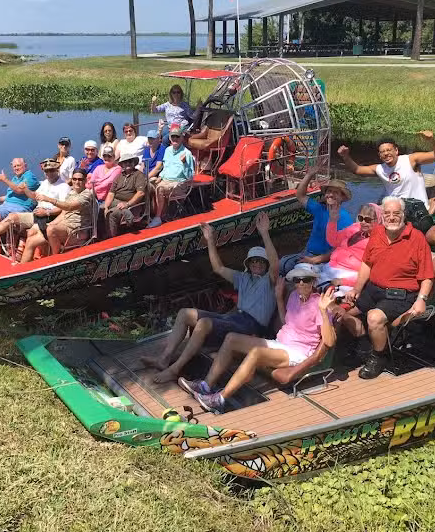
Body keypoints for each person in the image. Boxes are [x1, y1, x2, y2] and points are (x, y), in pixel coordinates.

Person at [140, 211, 278, 383]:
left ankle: (174, 369)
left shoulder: (269, 280)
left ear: (266, 264)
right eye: (254, 261)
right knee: (184, 313)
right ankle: (164, 358)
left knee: (204, 323)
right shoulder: (243, 278)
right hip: (234, 318)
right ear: (249, 264)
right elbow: (218, 268)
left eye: (261, 261)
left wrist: (265, 233)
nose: (257, 264)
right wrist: (210, 240)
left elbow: (275, 264)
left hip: (251, 326)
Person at [180, 264, 336, 413]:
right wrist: (279, 299)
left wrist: (323, 311)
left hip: (298, 352)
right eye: (297, 280)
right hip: (281, 343)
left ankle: (220, 399)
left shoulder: (319, 303)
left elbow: (329, 342)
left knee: (256, 353)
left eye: (306, 280)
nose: (301, 283)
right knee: (231, 338)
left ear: (313, 281)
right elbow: (287, 323)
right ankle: (206, 386)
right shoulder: (294, 296)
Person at [343, 196, 435, 379]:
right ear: (382, 216)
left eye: (396, 213)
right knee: (339, 311)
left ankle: (379, 357)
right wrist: (356, 289)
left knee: (374, 317)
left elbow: (427, 276)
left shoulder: (416, 239)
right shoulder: (377, 233)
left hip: (401, 295)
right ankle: (366, 346)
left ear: (403, 215)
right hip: (373, 290)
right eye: (387, 214)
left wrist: (421, 300)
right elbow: (367, 264)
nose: (392, 217)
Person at [278, 167, 353, 275]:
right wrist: (308, 175)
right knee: (281, 265)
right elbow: (300, 195)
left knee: (298, 274)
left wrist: (315, 260)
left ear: (342, 197)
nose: (331, 194)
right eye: (329, 191)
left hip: (325, 261)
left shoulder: (345, 218)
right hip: (307, 254)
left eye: (336, 192)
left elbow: (341, 248)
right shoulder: (319, 209)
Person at [337, 131, 435, 204]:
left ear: (396, 151)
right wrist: (345, 156)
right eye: (382, 152)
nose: (386, 154)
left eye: (389, 150)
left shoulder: (411, 160)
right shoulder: (380, 169)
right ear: (379, 155)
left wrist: (432, 141)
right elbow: (357, 169)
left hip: (415, 209)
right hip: (392, 209)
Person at [0, 158, 69, 243]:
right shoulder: (45, 183)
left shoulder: (63, 186)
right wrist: (26, 189)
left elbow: (63, 208)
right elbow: (34, 196)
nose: (49, 173)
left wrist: (47, 212)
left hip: (49, 217)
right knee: (11, 217)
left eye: (52, 170)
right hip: (36, 214)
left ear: (57, 170)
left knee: (29, 232)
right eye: (46, 171)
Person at [21, 168, 94, 262]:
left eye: (80, 179)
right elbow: (64, 213)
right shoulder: (71, 193)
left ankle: (55, 260)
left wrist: (49, 199)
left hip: (76, 231)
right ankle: (23, 269)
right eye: (74, 179)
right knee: (31, 240)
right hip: (65, 228)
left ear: (85, 180)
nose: (77, 182)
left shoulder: (87, 194)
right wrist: (52, 223)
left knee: (51, 230)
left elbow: (69, 207)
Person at [322, 203, 382, 288]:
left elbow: (372, 273)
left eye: (368, 220)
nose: (363, 222)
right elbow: (333, 241)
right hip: (330, 268)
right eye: (361, 218)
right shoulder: (355, 227)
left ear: (378, 220)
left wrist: (344, 281)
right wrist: (333, 220)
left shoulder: (379, 241)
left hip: (349, 278)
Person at [147, 124, 195, 228]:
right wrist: (159, 177)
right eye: (173, 136)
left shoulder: (187, 154)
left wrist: (184, 163)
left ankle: (158, 218)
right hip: (165, 180)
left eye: (177, 136)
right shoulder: (168, 150)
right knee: (148, 184)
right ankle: (149, 214)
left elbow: (190, 177)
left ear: (182, 138)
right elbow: (165, 168)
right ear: (169, 138)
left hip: (179, 184)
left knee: (160, 188)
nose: (175, 139)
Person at [103, 152, 147, 237]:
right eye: (125, 162)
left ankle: (111, 239)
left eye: (130, 161)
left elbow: (140, 193)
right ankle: (100, 237)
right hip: (115, 202)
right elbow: (111, 193)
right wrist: (106, 207)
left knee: (111, 214)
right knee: (100, 211)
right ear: (122, 164)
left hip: (132, 205)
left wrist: (127, 204)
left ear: (134, 163)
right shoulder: (119, 177)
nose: (128, 164)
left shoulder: (139, 175)